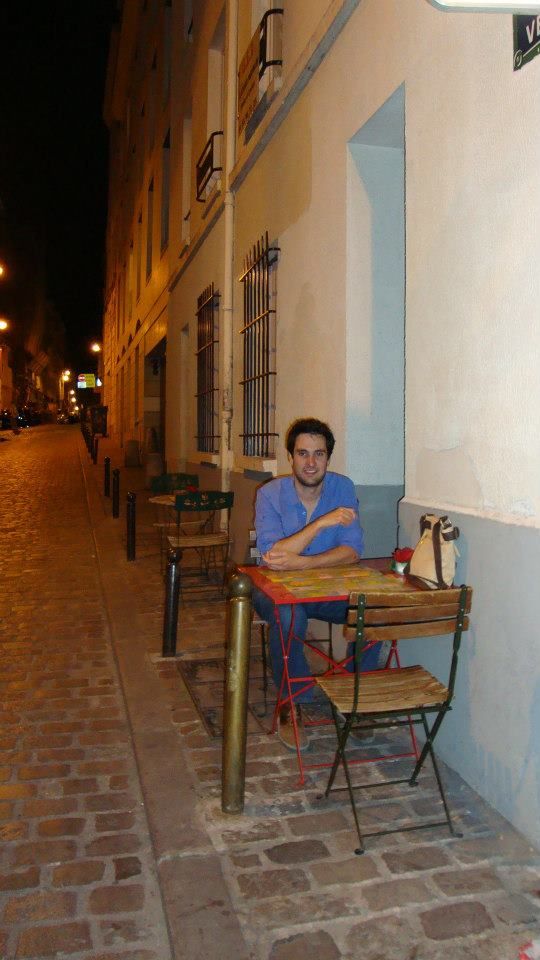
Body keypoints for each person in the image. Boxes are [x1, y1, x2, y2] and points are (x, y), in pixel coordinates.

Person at [253, 417, 379, 751]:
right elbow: (273, 557)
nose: (311, 462)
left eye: (319, 454)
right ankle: (291, 704)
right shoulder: (269, 494)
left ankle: (355, 699)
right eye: (303, 453)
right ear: (291, 457)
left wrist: (304, 563)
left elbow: (352, 551)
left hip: (327, 589)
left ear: (328, 457)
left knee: (372, 611)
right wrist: (322, 522)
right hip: (274, 590)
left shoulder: (343, 488)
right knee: (289, 618)